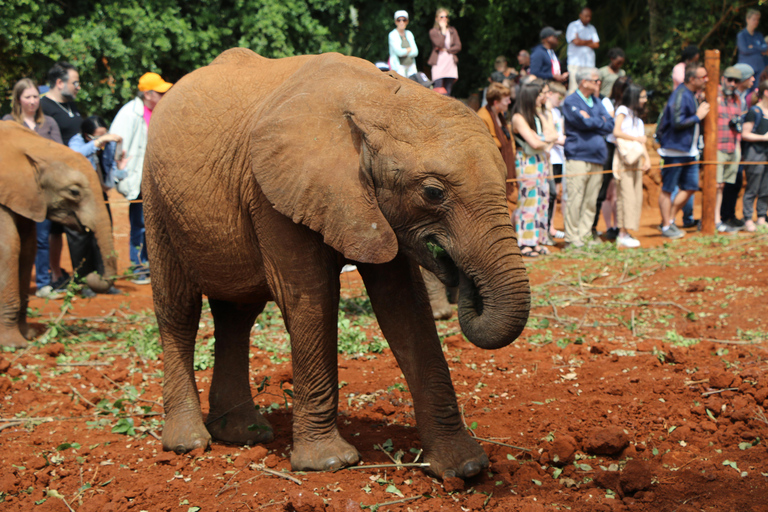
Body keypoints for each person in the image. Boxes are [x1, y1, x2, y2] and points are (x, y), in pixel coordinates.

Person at [3, 78, 63, 299]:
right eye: (28, 97)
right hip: (15, 192)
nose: (32, 101)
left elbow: (59, 152)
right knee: (13, 240)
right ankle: (14, 287)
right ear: (18, 99)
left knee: (41, 238)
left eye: (36, 97)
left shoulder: (48, 123)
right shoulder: (9, 122)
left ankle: (43, 284)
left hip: (42, 192)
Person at [111, 72, 173, 284]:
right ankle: (138, 265)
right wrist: (120, 173)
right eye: (160, 92)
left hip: (155, 179)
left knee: (155, 223)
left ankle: (152, 263)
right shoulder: (130, 113)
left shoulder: (159, 111)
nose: (164, 95)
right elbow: (115, 144)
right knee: (140, 223)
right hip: (138, 179)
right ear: (147, 94)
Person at [67, 117, 127, 295]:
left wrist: (120, 168)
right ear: (88, 136)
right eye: (99, 136)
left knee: (102, 236)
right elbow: (75, 155)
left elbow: (110, 176)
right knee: (80, 239)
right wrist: (99, 142)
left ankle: (104, 280)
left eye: (105, 134)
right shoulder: (76, 141)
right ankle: (82, 283)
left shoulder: (107, 147)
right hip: (78, 198)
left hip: (100, 195)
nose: (104, 139)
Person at [40, 62, 84, 294]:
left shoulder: (72, 106)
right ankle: (52, 274)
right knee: (50, 228)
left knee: (64, 228)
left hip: (73, 178)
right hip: (52, 179)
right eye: (75, 82)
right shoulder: (44, 107)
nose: (78, 86)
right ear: (60, 83)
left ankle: (64, 272)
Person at [656, 63, 710, 239]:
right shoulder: (679, 95)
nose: (706, 80)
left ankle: (669, 220)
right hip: (674, 151)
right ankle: (666, 226)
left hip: (689, 151)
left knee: (691, 187)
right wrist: (698, 116)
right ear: (692, 79)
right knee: (668, 188)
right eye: (703, 77)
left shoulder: (691, 95)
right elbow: (677, 122)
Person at [562, 67, 614, 248]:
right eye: (596, 80)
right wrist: (599, 121)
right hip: (577, 156)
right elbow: (582, 122)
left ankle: (584, 236)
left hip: (597, 157)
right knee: (576, 198)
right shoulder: (570, 101)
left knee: (591, 199)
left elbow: (611, 124)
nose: (599, 83)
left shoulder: (597, 101)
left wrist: (592, 120)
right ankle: (571, 238)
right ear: (583, 82)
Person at [511, 80, 558, 257]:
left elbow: (551, 135)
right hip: (527, 162)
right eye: (539, 95)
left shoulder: (538, 115)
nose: (543, 98)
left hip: (541, 161)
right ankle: (524, 242)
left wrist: (544, 139)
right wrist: (545, 140)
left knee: (542, 202)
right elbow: (534, 142)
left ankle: (537, 241)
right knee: (529, 203)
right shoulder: (519, 117)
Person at [612, 83, 651, 248]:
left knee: (635, 196)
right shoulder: (622, 111)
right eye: (642, 96)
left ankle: (627, 231)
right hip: (624, 159)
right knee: (625, 196)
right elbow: (616, 132)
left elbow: (641, 141)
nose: (645, 100)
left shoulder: (637, 117)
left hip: (636, 159)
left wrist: (647, 159)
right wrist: (636, 139)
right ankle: (622, 234)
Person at [721, 63, 757, 230]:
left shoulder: (742, 97)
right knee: (725, 182)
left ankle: (730, 215)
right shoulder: (734, 97)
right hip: (726, 144)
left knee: (735, 182)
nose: (753, 80)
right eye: (750, 76)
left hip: (737, 144)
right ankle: (724, 216)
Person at [595, 76, 630, 240]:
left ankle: (618, 226)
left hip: (622, 150)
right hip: (609, 149)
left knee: (618, 192)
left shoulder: (630, 108)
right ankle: (609, 227)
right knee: (606, 192)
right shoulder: (608, 103)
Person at [715, 67, 745, 233]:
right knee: (716, 184)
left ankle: (719, 218)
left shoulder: (737, 100)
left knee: (725, 184)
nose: (732, 84)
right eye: (729, 79)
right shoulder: (714, 95)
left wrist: (738, 147)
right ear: (723, 78)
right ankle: (713, 220)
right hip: (717, 147)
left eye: (736, 81)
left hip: (733, 146)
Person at [477, 82, 516, 206]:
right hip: (492, 174)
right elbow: (484, 146)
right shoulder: (482, 117)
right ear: (496, 102)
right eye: (506, 100)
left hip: (505, 169)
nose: (509, 102)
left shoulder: (500, 115)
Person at [741, 80, 768, 232]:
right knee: (753, 188)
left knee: (766, 188)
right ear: (766, 92)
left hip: (767, 155)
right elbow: (745, 134)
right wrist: (764, 138)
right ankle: (748, 218)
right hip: (755, 154)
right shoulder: (754, 112)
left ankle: (761, 217)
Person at [546, 81, 568, 242]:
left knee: (556, 193)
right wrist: (561, 139)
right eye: (558, 97)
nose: (560, 101)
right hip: (550, 157)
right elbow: (552, 135)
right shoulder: (546, 112)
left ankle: (551, 226)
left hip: (559, 157)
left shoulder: (557, 112)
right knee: (550, 194)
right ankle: (546, 228)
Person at [428, 7, 461, 96]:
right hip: (438, 63)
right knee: (438, 89)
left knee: (448, 91)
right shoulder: (433, 32)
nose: (444, 19)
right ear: (436, 19)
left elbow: (458, 46)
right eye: (441, 17)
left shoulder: (452, 31)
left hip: (450, 63)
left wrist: (448, 50)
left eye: (445, 17)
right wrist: (443, 32)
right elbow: (439, 44)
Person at [566, 7, 600, 94]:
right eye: (586, 16)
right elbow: (576, 41)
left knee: (590, 89)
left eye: (589, 16)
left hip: (589, 65)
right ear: (580, 15)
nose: (588, 18)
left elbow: (596, 44)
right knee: (574, 89)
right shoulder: (573, 26)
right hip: (575, 64)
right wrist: (589, 41)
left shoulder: (592, 28)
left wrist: (581, 40)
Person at [737, 9, 768, 90]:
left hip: (760, 69)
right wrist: (759, 49)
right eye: (754, 19)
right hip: (747, 71)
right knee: (746, 91)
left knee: (757, 91)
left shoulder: (759, 35)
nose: (756, 22)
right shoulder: (741, 35)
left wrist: (752, 47)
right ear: (747, 19)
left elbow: (765, 48)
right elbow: (744, 50)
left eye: (758, 19)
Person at [388, 10, 418, 78]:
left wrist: (404, 52)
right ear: (395, 22)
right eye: (399, 20)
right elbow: (399, 52)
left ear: (407, 21)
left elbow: (415, 52)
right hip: (399, 67)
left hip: (411, 66)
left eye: (404, 20)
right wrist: (408, 50)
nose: (401, 22)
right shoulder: (392, 35)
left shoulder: (409, 34)